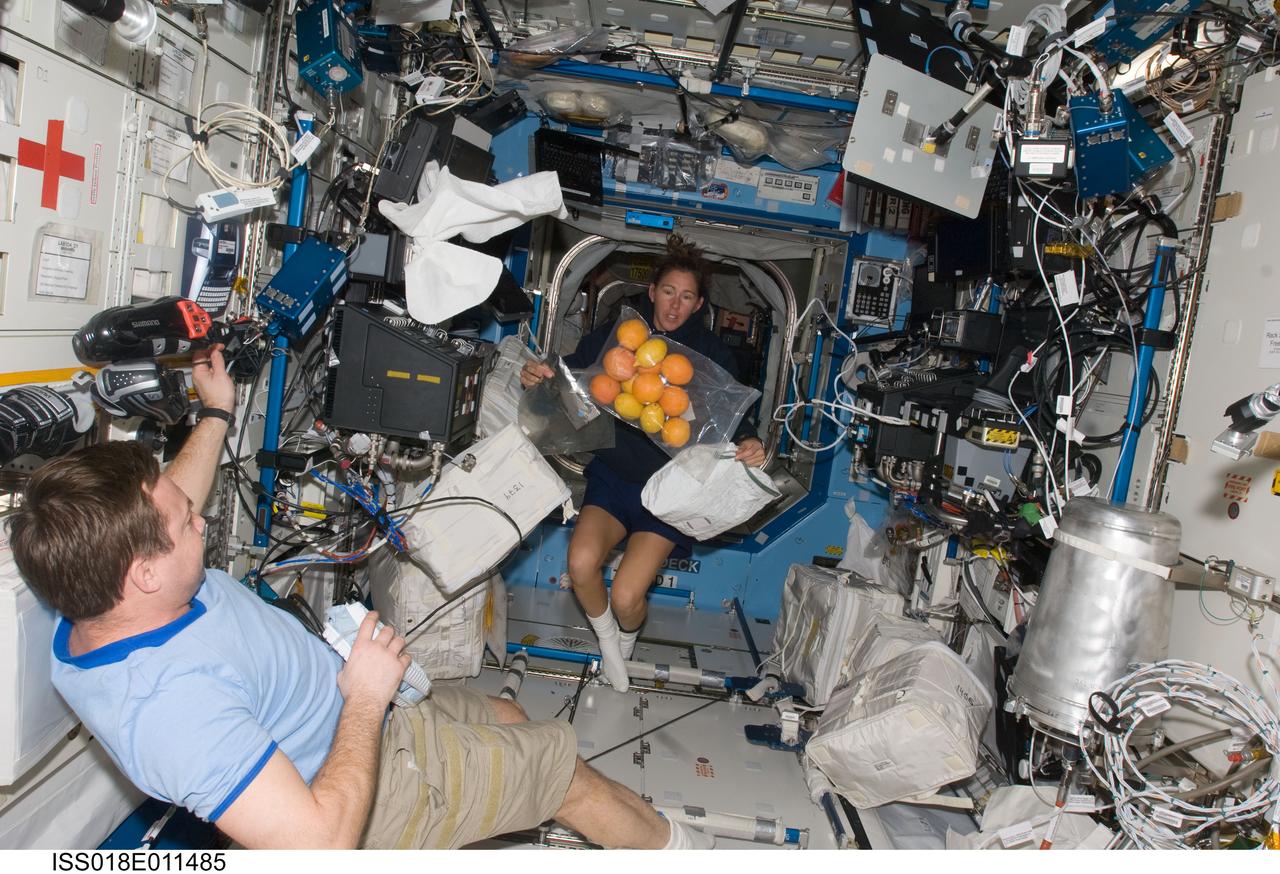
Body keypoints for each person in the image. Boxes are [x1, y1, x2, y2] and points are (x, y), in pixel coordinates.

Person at [6, 345, 713, 850]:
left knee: (506, 714)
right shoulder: (168, 710)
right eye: (185, 522)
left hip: (372, 716)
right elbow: (319, 846)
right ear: (143, 573)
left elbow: (173, 498)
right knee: (563, 773)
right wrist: (367, 696)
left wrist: (217, 413)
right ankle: (687, 852)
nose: (200, 518)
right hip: (372, 789)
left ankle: (498, 801)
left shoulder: (103, 586)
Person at [520, 236, 766, 692]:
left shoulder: (710, 357)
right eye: (668, 291)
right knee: (581, 564)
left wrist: (751, 441)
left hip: (668, 491)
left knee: (627, 596)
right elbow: (570, 374)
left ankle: (626, 640)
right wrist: (539, 373)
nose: (675, 304)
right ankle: (609, 644)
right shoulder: (619, 339)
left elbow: (734, 418)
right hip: (614, 478)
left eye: (687, 296)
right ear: (652, 292)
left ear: (699, 304)